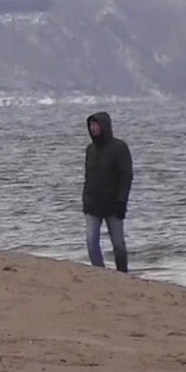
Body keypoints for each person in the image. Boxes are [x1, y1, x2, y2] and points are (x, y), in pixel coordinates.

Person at [82, 111, 133, 272]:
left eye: (95, 124)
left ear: (104, 126)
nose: (93, 128)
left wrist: (121, 201)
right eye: (90, 125)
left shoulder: (120, 148)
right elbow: (88, 176)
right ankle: (100, 273)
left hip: (113, 204)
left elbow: (126, 176)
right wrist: (85, 199)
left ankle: (123, 274)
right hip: (93, 204)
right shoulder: (90, 150)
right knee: (91, 241)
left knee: (118, 245)